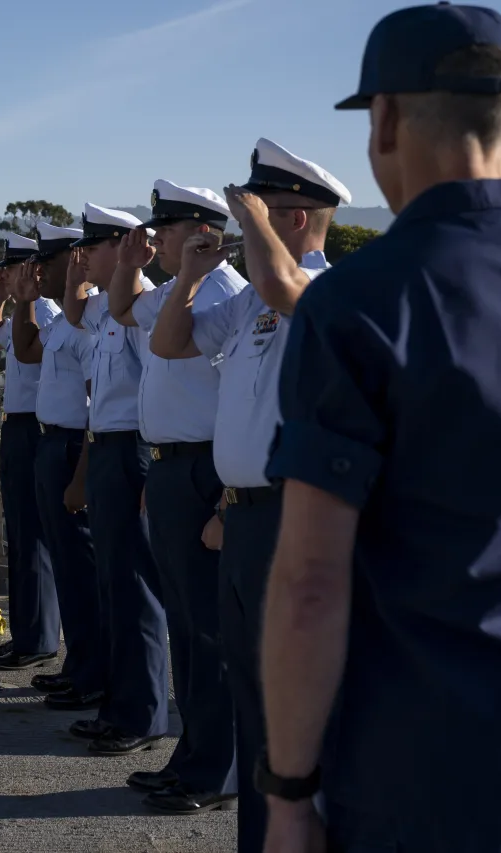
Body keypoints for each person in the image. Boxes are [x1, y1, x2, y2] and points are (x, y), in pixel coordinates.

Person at [260, 6, 501, 852]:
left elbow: (309, 578)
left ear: (382, 120)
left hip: (418, 765)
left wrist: (289, 794)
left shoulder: (356, 302)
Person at [147, 138, 350, 853]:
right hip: (244, 517)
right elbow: (171, 345)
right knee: (253, 699)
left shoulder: (323, 294)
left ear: (293, 220)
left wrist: (253, 225)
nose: (240, 220)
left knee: (291, 710)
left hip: (290, 521)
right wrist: (191, 278)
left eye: (258, 209)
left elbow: (279, 282)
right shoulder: (251, 309)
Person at [104, 183, 245, 806]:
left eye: (165, 227)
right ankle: (191, 756)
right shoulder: (176, 291)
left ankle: (217, 770)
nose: (153, 236)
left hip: (205, 473)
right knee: (186, 629)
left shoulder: (228, 295)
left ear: (202, 232)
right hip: (169, 470)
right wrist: (131, 264)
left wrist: (224, 500)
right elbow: (123, 310)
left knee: (209, 631)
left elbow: (240, 404)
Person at [54, 203, 166, 757]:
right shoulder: (103, 310)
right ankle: (119, 706)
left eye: (91, 248)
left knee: (136, 590)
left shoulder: (143, 310)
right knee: (112, 588)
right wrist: (77, 278)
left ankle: (143, 713)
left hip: (132, 451)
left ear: (121, 249)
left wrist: (151, 466)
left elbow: (154, 390)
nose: (82, 256)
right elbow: (75, 316)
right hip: (105, 450)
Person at [6, 223, 96, 679]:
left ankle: (89, 672)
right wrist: (23, 300)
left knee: (80, 566)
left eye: (45, 263)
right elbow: (25, 350)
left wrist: (81, 475)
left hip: (75, 446)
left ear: (74, 261)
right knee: (64, 563)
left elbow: (98, 404)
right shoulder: (61, 320)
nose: (37, 271)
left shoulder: (88, 320)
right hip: (50, 441)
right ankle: (77, 668)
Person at [0, 232, 62, 666]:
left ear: (32, 271)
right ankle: (25, 632)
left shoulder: (46, 312)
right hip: (17, 429)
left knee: (34, 538)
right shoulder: (21, 313)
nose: (3, 276)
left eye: (9, 270)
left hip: (36, 429)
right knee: (18, 537)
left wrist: (18, 300)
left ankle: (41, 638)